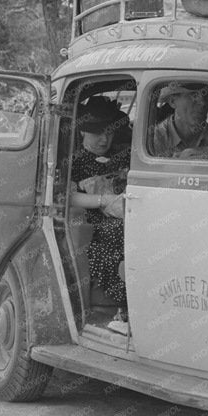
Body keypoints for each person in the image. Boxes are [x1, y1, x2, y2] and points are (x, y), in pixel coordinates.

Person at [67, 96, 132, 334]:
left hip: (130, 216)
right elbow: (69, 197)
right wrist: (104, 201)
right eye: (97, 133)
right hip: (93, 225)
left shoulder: (124, 156)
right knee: (111, 241)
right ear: (83, 131)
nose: (104, 139)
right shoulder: (75, 162)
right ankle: (124, 308)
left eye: (110, 133)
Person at [148, 81, 208, 157]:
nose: (203, 103)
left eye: (206, 96)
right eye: (194, 95)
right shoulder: (155, 139)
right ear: (172, 102)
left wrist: (207, 152)